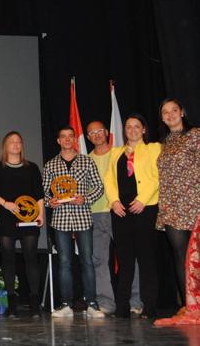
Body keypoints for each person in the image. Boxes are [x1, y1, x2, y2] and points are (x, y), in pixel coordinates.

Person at [42, 126, 104, 318]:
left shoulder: (87, 162)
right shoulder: (50, 165)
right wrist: (49, 201)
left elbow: (99, 187)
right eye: (63, 137)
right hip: (60, 219)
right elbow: (43, 193)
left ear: (74, 140)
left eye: (70, 136)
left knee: (87, 261)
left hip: (83, 217)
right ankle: (66, 304)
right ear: (58, 141)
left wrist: (85, 198)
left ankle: (92, 303)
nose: (67, 139)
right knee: (64, 262)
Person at [104, 114, 162, 319]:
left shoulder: (154, 148)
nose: (133, 130)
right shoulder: (116, 152)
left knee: (146, 260)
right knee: (125, 261)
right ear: (124, 130)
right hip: (121, 212)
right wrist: (114, 202)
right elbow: (109, 179)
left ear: (144, 129)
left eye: (137, 126)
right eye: (129, 127)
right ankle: (122, 308)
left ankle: (150, 307)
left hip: (145, 209)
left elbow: (157, 176)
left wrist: (142, 199)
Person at [86, 120, 143, 316]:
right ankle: (106, 303)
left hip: (118, 212)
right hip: (93, 213)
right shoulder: (86, 159)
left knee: (128, 258)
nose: (96, 135)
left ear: (106, 132)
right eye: (92, 133)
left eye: (99, 131)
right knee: (99, 259)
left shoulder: (121, 152)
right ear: (87, 137)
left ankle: (135, 301)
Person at [157, 98, 200, 307]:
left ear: (182, 112)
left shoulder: (196, 134)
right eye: (165, 112)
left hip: (195, 203)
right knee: (180, 256)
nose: (170, 115)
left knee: (199, 256)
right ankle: (189, 305)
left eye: (174, 110)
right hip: (171, 207)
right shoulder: (164, 142)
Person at [0, 131, 44, 317]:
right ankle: (12, 301)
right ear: (5, 146)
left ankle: (34, 300)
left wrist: (41, 215)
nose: (16, 145)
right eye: (11, 142)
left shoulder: (32, 168)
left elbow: (39, 195)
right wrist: (6, 203)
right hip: (6, 218)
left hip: (29, 219)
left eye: (19, 142)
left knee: (31, 257)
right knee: (8, 258)